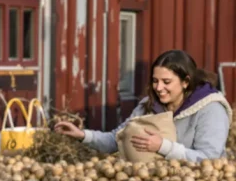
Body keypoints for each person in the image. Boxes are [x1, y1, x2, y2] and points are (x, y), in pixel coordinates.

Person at [55, 49, 232, 162]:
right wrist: (82, 135)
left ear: (186, 82)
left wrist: (163, 147)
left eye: (166, 82)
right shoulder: (149, 105)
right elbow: (117, 139)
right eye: (155, 81)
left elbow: (209, 159)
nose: (159, 88)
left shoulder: (210, 109)